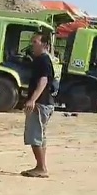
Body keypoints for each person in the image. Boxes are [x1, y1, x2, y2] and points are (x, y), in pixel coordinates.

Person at [21, 31, 56, 178]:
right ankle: (40, 166)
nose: (32, 44)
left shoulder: (43, 60)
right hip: (44, 103)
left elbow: (44, 81)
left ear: (45, 45)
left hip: (41, 103)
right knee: (40, 135)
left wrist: (32, 99)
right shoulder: (40, 60)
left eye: (35, 42)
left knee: (35, 135)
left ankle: (41, 168)